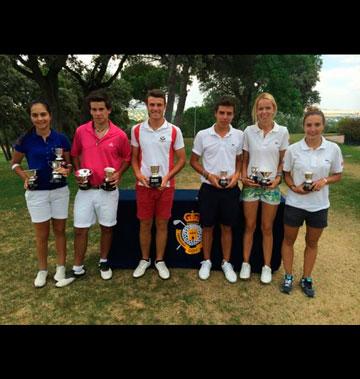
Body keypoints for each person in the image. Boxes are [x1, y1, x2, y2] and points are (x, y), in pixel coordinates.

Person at [280, 106, 343, 297]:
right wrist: (293, 187)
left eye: (317, 125)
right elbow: (286, 174)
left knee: (312, 243)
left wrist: (324, 180)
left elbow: (337, 175)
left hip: (319, 205)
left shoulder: (333, 149)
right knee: (289, 240)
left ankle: (306, 278)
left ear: (323, 126)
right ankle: (288, 276)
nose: (312, 129)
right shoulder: (293, 149)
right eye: (309, 125)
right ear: (304, 126)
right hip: (295, 203)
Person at [69, 89, 131, 282]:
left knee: (107, 227)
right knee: (80, 228)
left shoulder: (119, 135)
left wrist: (118, 174)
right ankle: (78, 266)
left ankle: (104, 261)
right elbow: (74, 153)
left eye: (101, 109)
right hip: (86, 190)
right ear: (90, 111)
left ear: (109, 110)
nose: (98, 113)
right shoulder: (81, 131)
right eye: (94, 109)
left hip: (108, 190)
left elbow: (128, 158)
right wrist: (78, 173)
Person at [11, 100, 73, 288]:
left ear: (50, 116)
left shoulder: (61, 139)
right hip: (36, 193)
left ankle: (61, 267)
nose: (40, 119)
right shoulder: (25, 140)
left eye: (43, 114)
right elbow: (15, 163)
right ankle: (42, 270)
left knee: (60, 231)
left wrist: (67, 170)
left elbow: (68, 164)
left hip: (60, 191)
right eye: (35, 115)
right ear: (31, 117)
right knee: (42, 235)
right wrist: (24, 176)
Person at [131, 89, 186, 280]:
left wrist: (167, 177)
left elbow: (181, 159)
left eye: (159, 105)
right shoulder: (137, 129)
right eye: (152, 105)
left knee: (162, 223)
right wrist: (139, 175)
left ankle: (160, 260)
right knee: (145, 224)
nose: (155, 108)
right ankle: (145, 259)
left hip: (165, 186)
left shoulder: (174, 130)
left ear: (164, 106)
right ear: (147, 106)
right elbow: (134, 158)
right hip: (144, 186)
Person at [190, 96, 243, 283]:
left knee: (227, 227)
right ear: (215, 113)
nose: (225, 117)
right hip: (209, 188)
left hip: (230, 189)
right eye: (222, 113)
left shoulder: (239, 135)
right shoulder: (203, 135)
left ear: (233, 115)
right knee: (207, 227)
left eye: (229, 113)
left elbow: (239, 162)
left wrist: (235, 178)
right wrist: (208, 175)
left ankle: (226, 262)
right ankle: (206, 261)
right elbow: (193, 161)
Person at [240, 92, 289, 284]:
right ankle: (246, 264)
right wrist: (244, 177)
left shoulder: (283, 132)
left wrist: (278, 178)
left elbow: (283, 161)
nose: (264, 112)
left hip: (271, 186)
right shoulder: (248, 131)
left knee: (267, 228)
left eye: (268, 108)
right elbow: (244, 159)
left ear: (274, 109)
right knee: (250, 226)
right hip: (251, 186)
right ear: (256, 111)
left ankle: (266, 267)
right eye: (260, 108)